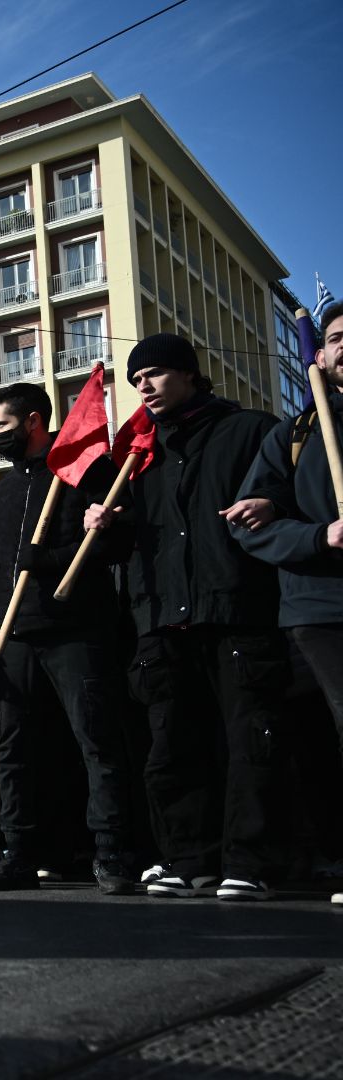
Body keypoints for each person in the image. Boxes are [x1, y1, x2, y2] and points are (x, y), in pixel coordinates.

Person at [87, 333, 293, 902]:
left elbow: (295, 494)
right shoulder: (137, 455)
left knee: (251, 742)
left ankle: (250, 862)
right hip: (161, 619)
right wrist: (105, 525)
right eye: (136, 380)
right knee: (172, 746)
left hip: (237, 610)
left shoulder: (250, 430)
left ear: (188, 372)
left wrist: (273, 503)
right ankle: (187, 859)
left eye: (154, 373)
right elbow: (130, 545)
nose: (144, 386)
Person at [0, 383, 137, 895]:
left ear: (32, 421)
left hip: (75, 629)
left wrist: (51, 558)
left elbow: (118, 543)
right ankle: (19, 851)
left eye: (0, 426)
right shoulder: (2, 491)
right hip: (13, 634)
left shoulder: (87, 471)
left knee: (96, 741)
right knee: (14, 748)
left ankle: (111, 851)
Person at [235, 306, 343, 908]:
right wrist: (320, 536)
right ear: (318, 357)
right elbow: (248, 525)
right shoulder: (294, 436)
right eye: (337, 338)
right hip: (321, 608)